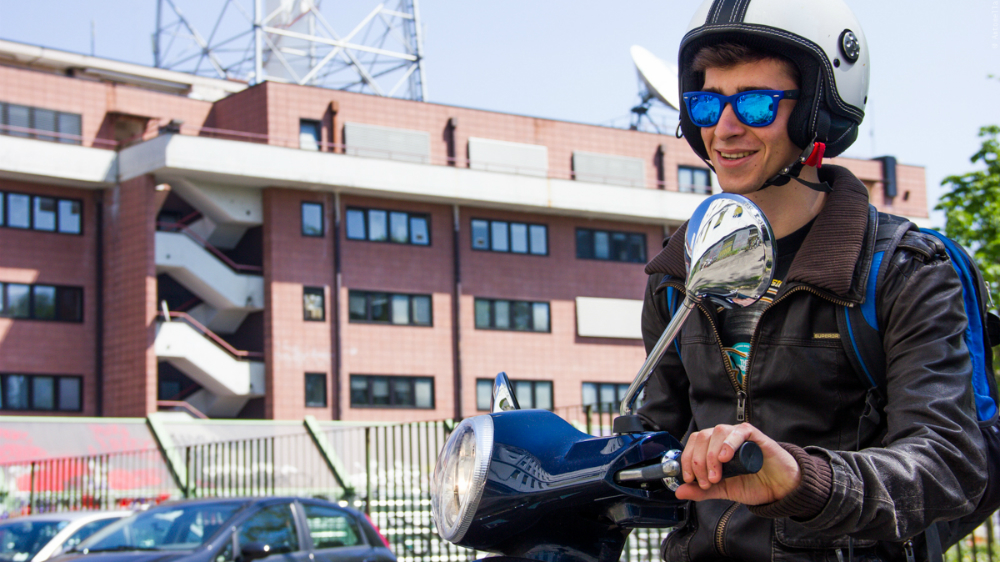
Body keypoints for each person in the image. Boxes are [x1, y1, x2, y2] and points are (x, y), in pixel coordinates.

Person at [636, 1, 987, 560]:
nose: (724, 129)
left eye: (754, 103)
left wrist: (803, 481)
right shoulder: (677, 275)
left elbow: (948, 463)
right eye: (706, 103)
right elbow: (653, 440)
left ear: (818, 114)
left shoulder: (901, 270)